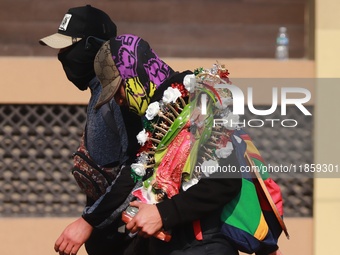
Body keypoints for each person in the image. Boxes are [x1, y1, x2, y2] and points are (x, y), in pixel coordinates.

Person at [93, 34, 245, 255]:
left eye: (119, 90)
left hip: (204, 246)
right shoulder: (155, 118)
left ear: (135, 75)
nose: (119, 101)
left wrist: (163, 214)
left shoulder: (192, 100)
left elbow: (225, 181)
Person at [39, 6, 143, 255]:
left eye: (68, 47)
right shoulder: (98, 92)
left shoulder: (119, 96)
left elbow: (138, 165)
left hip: (133, 239)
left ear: (92, 47)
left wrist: (89, 221)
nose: (62, 56)